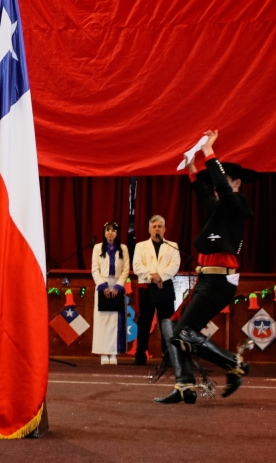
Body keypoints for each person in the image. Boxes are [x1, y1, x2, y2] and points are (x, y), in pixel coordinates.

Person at [154, 130, 257, 404]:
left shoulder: (237, 205)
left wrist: (208, 152)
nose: (217, 187)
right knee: (176, 330)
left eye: (223, 183)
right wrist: (191, 168)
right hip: (209, 281)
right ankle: (184, 385)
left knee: (183, 333)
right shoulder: (220, 209)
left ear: (235, 184)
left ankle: (234, 363)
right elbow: (205, 194)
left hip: (218, 282)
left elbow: (220, 189)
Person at [132, 215, 180, 366]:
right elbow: (137, 265)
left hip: (164, 286)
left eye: (160, 226)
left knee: (166, 323)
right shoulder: (140, 246)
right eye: (154, 226)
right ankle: (140, 356)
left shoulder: (172, 245)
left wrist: (161, 276)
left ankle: (167, 357)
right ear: (149, 230)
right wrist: (153, 277)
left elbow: (175, 265)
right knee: (144, 322)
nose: (157, 229)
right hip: (147, 286)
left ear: (164, 229)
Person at [91, 222, 130, 365]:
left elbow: (126, 269)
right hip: (102, 285)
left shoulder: (123, 248)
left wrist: (118, 286)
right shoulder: (97, 248)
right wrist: (103, 286)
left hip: (117, 286)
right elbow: (95, 269)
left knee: (115, 321)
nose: (110, 233)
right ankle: (102, 352)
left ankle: (113, 352)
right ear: (104, 232)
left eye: (113, 230)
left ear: (117, 233)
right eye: (108, 230)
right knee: (102, 320)